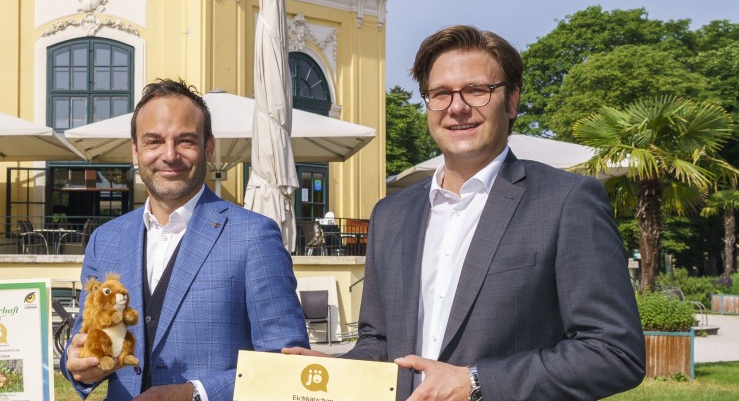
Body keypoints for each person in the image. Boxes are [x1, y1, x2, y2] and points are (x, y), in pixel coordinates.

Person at [285, 25, 644, 400]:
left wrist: (476, 382)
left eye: (477, 90)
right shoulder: (391, 215)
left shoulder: (566, 201)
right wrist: (339, 369)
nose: (457, 108)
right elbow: (380, 341)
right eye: (440, 94)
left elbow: (614, 352)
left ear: (512, 101)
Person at [61, 79, 309, 401]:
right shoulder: (105, 240)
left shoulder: (254, 237)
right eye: (153, 141)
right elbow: (87, 334)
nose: (169, 155)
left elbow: (287, 363)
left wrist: (196, 394)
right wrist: (77, 366)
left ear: (208, 148)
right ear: (135, 152)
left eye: (186, 141)